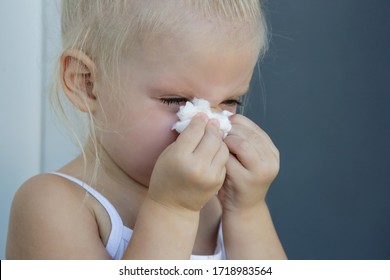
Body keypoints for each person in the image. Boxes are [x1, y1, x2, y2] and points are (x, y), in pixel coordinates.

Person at [6, 0, 286, 260]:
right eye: (176, 100)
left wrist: (248, 210)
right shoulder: (54, 206)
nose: (211, 124)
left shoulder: (220, 203)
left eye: (230, 102)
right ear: (87, 84)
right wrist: (173, 210)